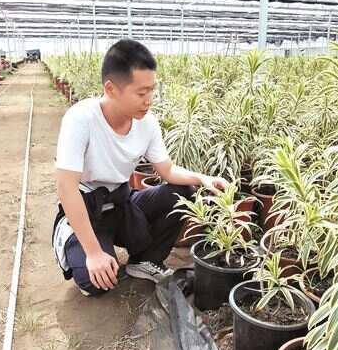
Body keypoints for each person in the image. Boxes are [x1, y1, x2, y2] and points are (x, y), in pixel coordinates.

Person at [52, 39, 227, 297]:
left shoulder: (147, 124)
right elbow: (66, 188)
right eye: (141, 93)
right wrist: (93, 253)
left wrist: (203, 179)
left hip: (122, 203)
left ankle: (144, 260)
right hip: (87, 207)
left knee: (182, 191)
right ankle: (74, 237)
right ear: (111, 89)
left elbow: (167, 170)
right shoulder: (81, 118)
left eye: (152, 91)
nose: (149, 101)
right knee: (95, 282)